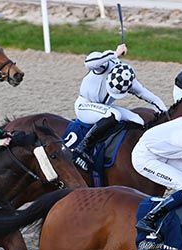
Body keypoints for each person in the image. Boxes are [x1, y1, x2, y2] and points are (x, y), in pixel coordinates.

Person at [72, 43, 168, 171]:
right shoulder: (104, 66)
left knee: (137, 120)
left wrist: (167, 114)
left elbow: (151, 97)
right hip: (84, 106)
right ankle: (83, 147)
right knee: (114, 115)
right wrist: (115, 53)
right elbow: (89, 62)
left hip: (103, 108)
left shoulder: (130, 81)